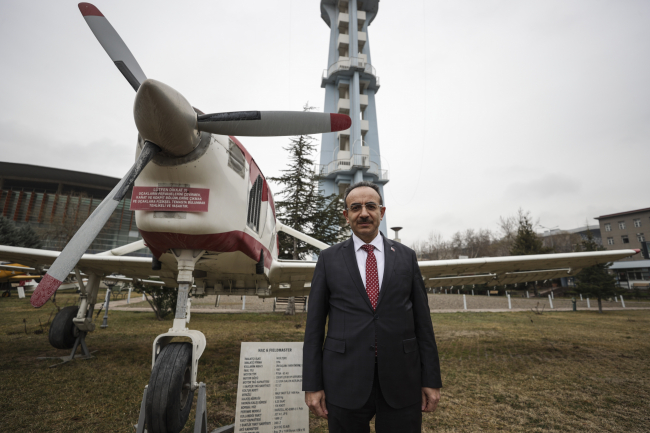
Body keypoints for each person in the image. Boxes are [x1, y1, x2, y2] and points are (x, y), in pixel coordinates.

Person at [303, 181, 442, 433]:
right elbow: (313, 328)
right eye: (355, 207)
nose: (364, 213)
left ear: (382, 212)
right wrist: (312, 385)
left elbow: (423, 323)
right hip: (344, 379)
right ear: (346, 215)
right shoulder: (328, 259)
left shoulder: (406, 256)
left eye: (370, 206)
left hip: (402, 379)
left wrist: (431, 379)